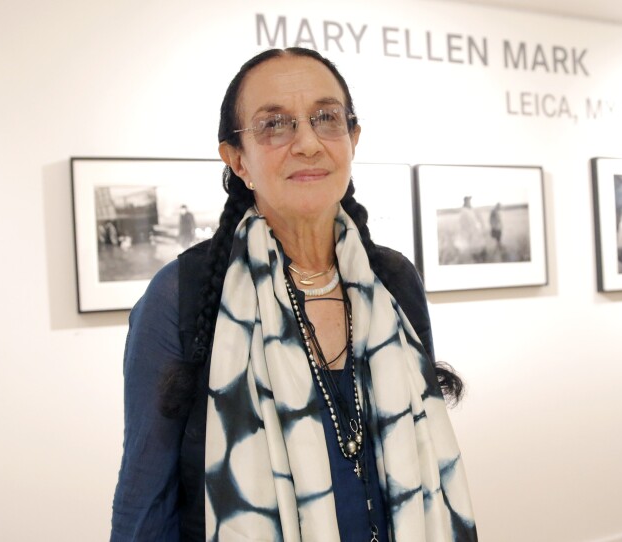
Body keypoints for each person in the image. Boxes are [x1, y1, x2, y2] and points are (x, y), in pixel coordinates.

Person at [110, 48, 477, 542]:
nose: (307, 143)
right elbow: (144, 504)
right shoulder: (182, 295)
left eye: (326, 118)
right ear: (237, 159)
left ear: (353, 139)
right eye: (274, 125)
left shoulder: (393, 280)